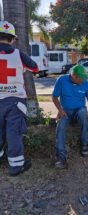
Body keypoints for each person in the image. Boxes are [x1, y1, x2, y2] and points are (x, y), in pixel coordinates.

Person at [0, 21, 38, 176]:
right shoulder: (18, 54)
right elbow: (35, 67)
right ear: (12, 39)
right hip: (15, 101)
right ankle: (16, 167)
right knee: (14, 133)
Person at [52, 64, 88, 169]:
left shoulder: (86, 84)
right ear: (74, 76)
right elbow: (54, 97)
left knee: (83, 114)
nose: (83, 81)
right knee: (60, 125)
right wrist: (60, 110)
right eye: (81, 79)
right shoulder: (62, 80)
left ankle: (85, 146)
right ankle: (61, 157)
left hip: (79, 110)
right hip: (65, 111)